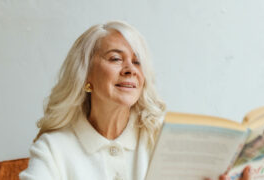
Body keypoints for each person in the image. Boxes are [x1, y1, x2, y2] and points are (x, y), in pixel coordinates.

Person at [19, 20, 250, 180]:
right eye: (116, 58)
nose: (130, 69)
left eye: (137, 62)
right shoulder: (53, 149)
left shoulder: (160, 137)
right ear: (86, 74)